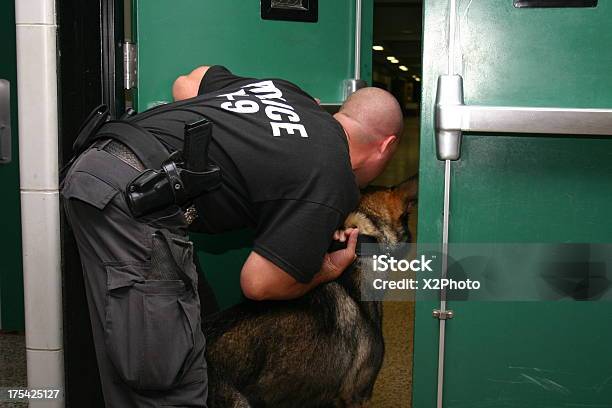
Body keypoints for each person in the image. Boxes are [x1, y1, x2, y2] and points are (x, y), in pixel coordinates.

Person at [61, 65, 403, 407]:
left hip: (107, 164)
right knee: (167, 374)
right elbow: (259, 283)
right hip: (132, 200)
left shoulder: (289, 92)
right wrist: (327, 269)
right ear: (386, 146)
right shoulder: (335, 177)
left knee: (187, 334)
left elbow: (186, 84)